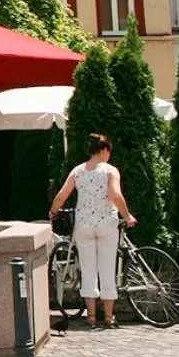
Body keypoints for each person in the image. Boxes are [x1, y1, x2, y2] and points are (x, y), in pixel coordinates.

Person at [49, 133, 137, 329]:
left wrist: (53, 211)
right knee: (107, 270)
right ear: (104, 150)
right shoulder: (110, 171)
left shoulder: (78, 171)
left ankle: (90, 317)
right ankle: (108, 316)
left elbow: (62, 195)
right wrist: (127, 215)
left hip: (84, 226)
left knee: (88, 270)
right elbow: (115, 194)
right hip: (106, 224)